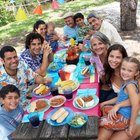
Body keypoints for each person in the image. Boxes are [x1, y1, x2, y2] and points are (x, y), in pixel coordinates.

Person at [98, 57, 140, 140]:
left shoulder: (130, 86)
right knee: (102, 109)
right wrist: (105, 103)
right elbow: (120, 98)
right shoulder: (126, 82)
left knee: (98, 122)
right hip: (119, 112)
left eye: (129, 71)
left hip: (123, 118)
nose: (125, 73)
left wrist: (131, 127)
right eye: (123, 69)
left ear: (136, 73)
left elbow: (135, 105)